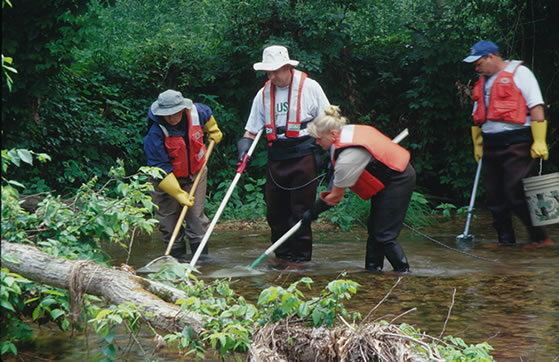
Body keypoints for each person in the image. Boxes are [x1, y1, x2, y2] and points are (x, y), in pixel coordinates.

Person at [237, 45, 330, 262]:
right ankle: (282, 257)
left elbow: (329, 121)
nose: (272, 76)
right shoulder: (263, 94)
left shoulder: (310, 87)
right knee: (275, 213)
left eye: (276, 71)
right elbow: (251, 130)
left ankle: (301, 261)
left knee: (300, 212)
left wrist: (333, 153)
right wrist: (243, 148)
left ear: (288, 67)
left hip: (304, 154)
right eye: (268, 72)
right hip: (277, 158)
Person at [304, 105, 416, 272]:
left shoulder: (347, 157)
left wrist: (312, 213)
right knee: (375, 232)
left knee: (384, 235)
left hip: (398, 177)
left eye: (319, 139)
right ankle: (372, 271)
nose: (317, 143)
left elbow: (335, 197)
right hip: (386, 177)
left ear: (333, 134)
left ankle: (403, 273)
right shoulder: (347, 131)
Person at [463, 40, 552, 248]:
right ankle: (505, 240)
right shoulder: (482, 82)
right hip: (490, 143)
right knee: (494, 194)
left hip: (517, 141)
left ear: (491, 57)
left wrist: (539, 140)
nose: (476, 68)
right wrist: (477, 143)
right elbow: (477, 116)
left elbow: (536, 107)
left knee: (515, 189)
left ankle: (540, 237)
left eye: (478, 63)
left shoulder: (521, 74)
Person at [144, 89, 223, 259]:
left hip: (195, 172)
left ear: (182, 109)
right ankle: (176, 263)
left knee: (196, 219)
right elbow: (160, 169)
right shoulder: (155, 133)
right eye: (167, 115)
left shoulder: (197, 112)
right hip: (164, 180)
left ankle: (202, 265)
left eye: (174, 113)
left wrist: (214, 130)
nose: (171, 118)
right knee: (169, 224)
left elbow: (208, 117)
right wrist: (179, 194)